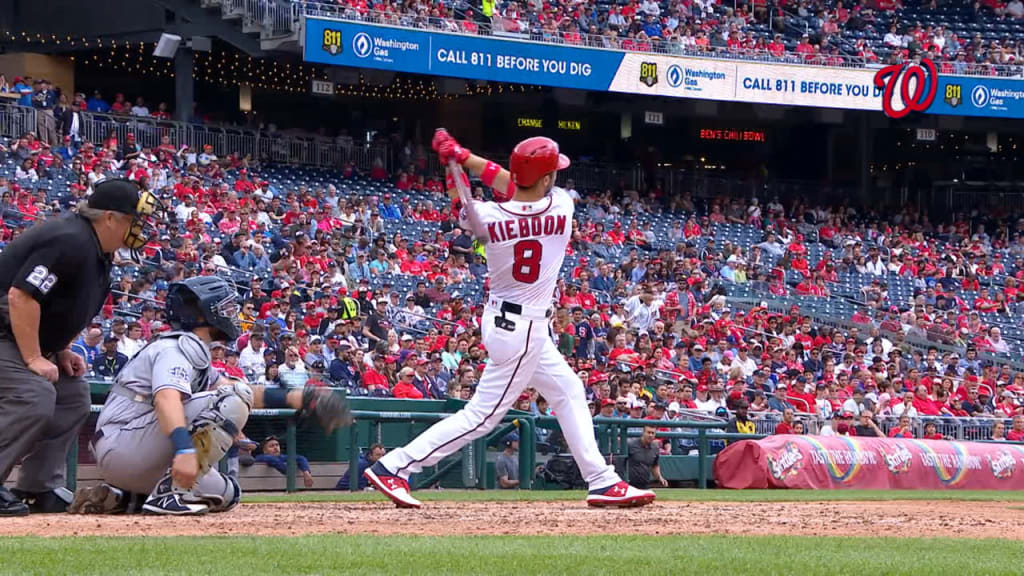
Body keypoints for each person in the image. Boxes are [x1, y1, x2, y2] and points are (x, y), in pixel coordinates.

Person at [364, 131, 655, 509]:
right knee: (481, 416)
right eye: (553, 173)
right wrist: (465, 155)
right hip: (524, 328)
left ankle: (601, 479)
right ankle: (394, 466)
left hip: (505, 320)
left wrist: (454, 166)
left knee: (568, 391)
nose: (557, 178)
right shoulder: (561, 206)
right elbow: (512, 181)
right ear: (548, 179)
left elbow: (470, 202)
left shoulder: (485, 217)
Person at [66, 276, 350, 516]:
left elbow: (241, 389)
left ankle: (123, 498)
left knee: (226, 494)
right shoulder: (176, 347)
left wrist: (303, 399)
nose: (230, 313)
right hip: (125, 442)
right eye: (224, 307)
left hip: (135, 449)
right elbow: (167, 399)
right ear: (202, 312)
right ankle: (168, 493)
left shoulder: (195, 352)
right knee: (232, 397)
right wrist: (184, 449)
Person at [0, 179, 163, 517]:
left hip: (15, 335)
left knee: (72, 395)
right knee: (34, 393)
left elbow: (58, 305)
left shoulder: (95, 249)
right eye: (135, 220)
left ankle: (37, 487)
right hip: (6, 333)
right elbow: (22, 296)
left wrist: (60, 350)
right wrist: (32, 357)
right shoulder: (70, 240)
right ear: (109, 218)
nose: (139, 228)